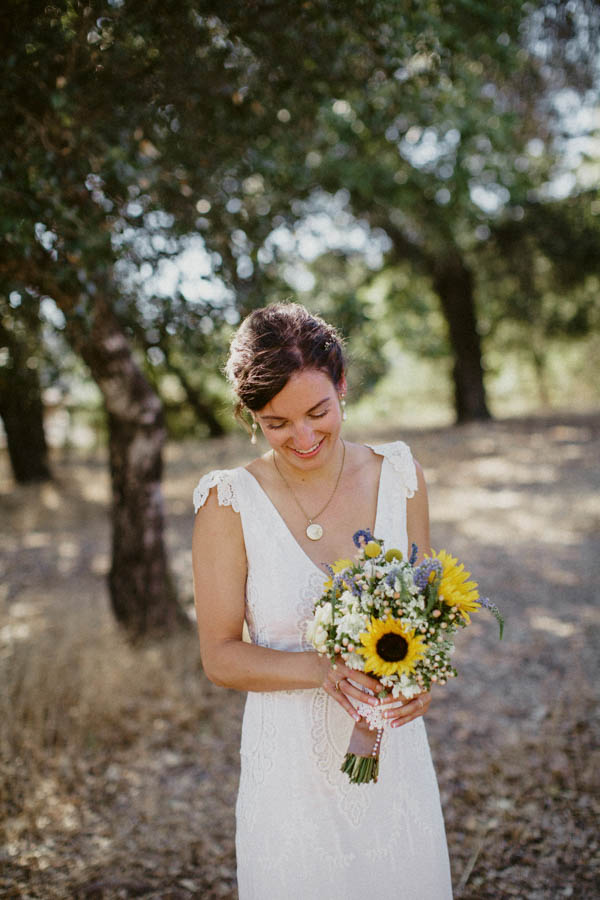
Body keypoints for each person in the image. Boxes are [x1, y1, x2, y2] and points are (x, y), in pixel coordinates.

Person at [192, 302, 453, 899]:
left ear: (342, 386)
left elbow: (426, 612)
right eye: (276, 422)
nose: (303, 437)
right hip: (290, 774)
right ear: (249, 414)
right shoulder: (227, 503)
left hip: (393, 758)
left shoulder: (400, 474)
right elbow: (220, 656)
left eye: (318, 412)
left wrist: (418, 677)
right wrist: (323, 669)